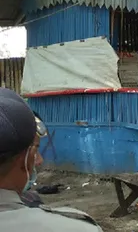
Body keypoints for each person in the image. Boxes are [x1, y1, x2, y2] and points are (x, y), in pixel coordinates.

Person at [0, 88, 103, 231]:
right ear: (24, 160)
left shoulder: (31, 199)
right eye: (35, 150)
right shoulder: (76, 228)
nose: (39, 161)